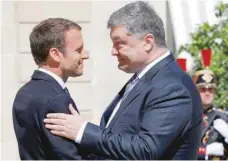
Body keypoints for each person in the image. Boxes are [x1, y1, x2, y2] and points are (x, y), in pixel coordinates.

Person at [44, 1, 203, 159]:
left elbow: (146, 150)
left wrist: (83, 131)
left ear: (147, 42)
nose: (113, 51)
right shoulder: (147, 79)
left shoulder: (171, 86)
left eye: (119, 43)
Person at [12, 18, 89, 160]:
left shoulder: (24, 92)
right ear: (55, 54)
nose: (86, 55)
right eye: (78, 50)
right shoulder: (56, 99)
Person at [192, 69, 228, 160]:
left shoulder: (223, 117)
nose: (207, 93)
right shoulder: (187, 117)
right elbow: (178, 149)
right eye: (203, 89)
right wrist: (205, 151)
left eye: (210, 89)